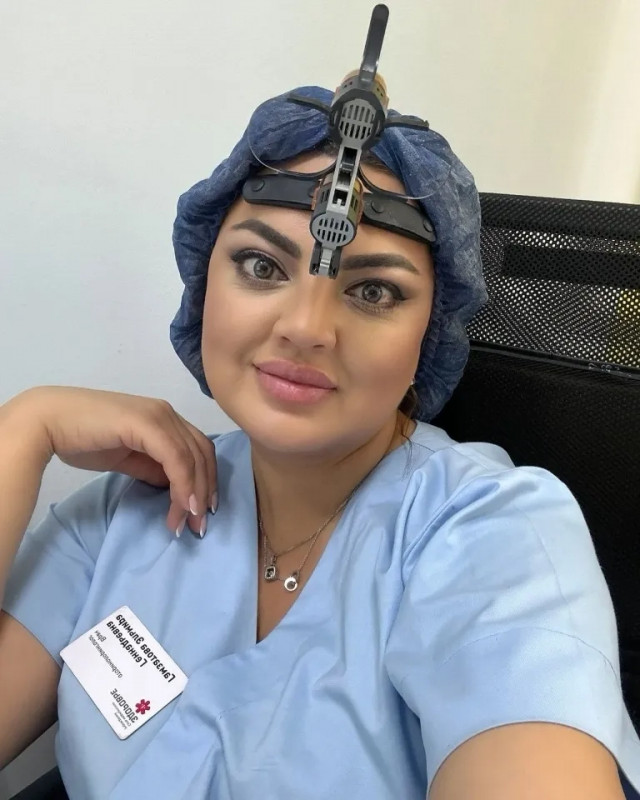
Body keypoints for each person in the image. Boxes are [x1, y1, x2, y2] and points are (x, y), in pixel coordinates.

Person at [1, 83, 639, 800]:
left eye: (374, 291)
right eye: (262, 266)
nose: (305, 327)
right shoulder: (122, 513)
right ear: (203, 285)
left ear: (431, 333)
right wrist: (23, 429)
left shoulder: (493, 536)